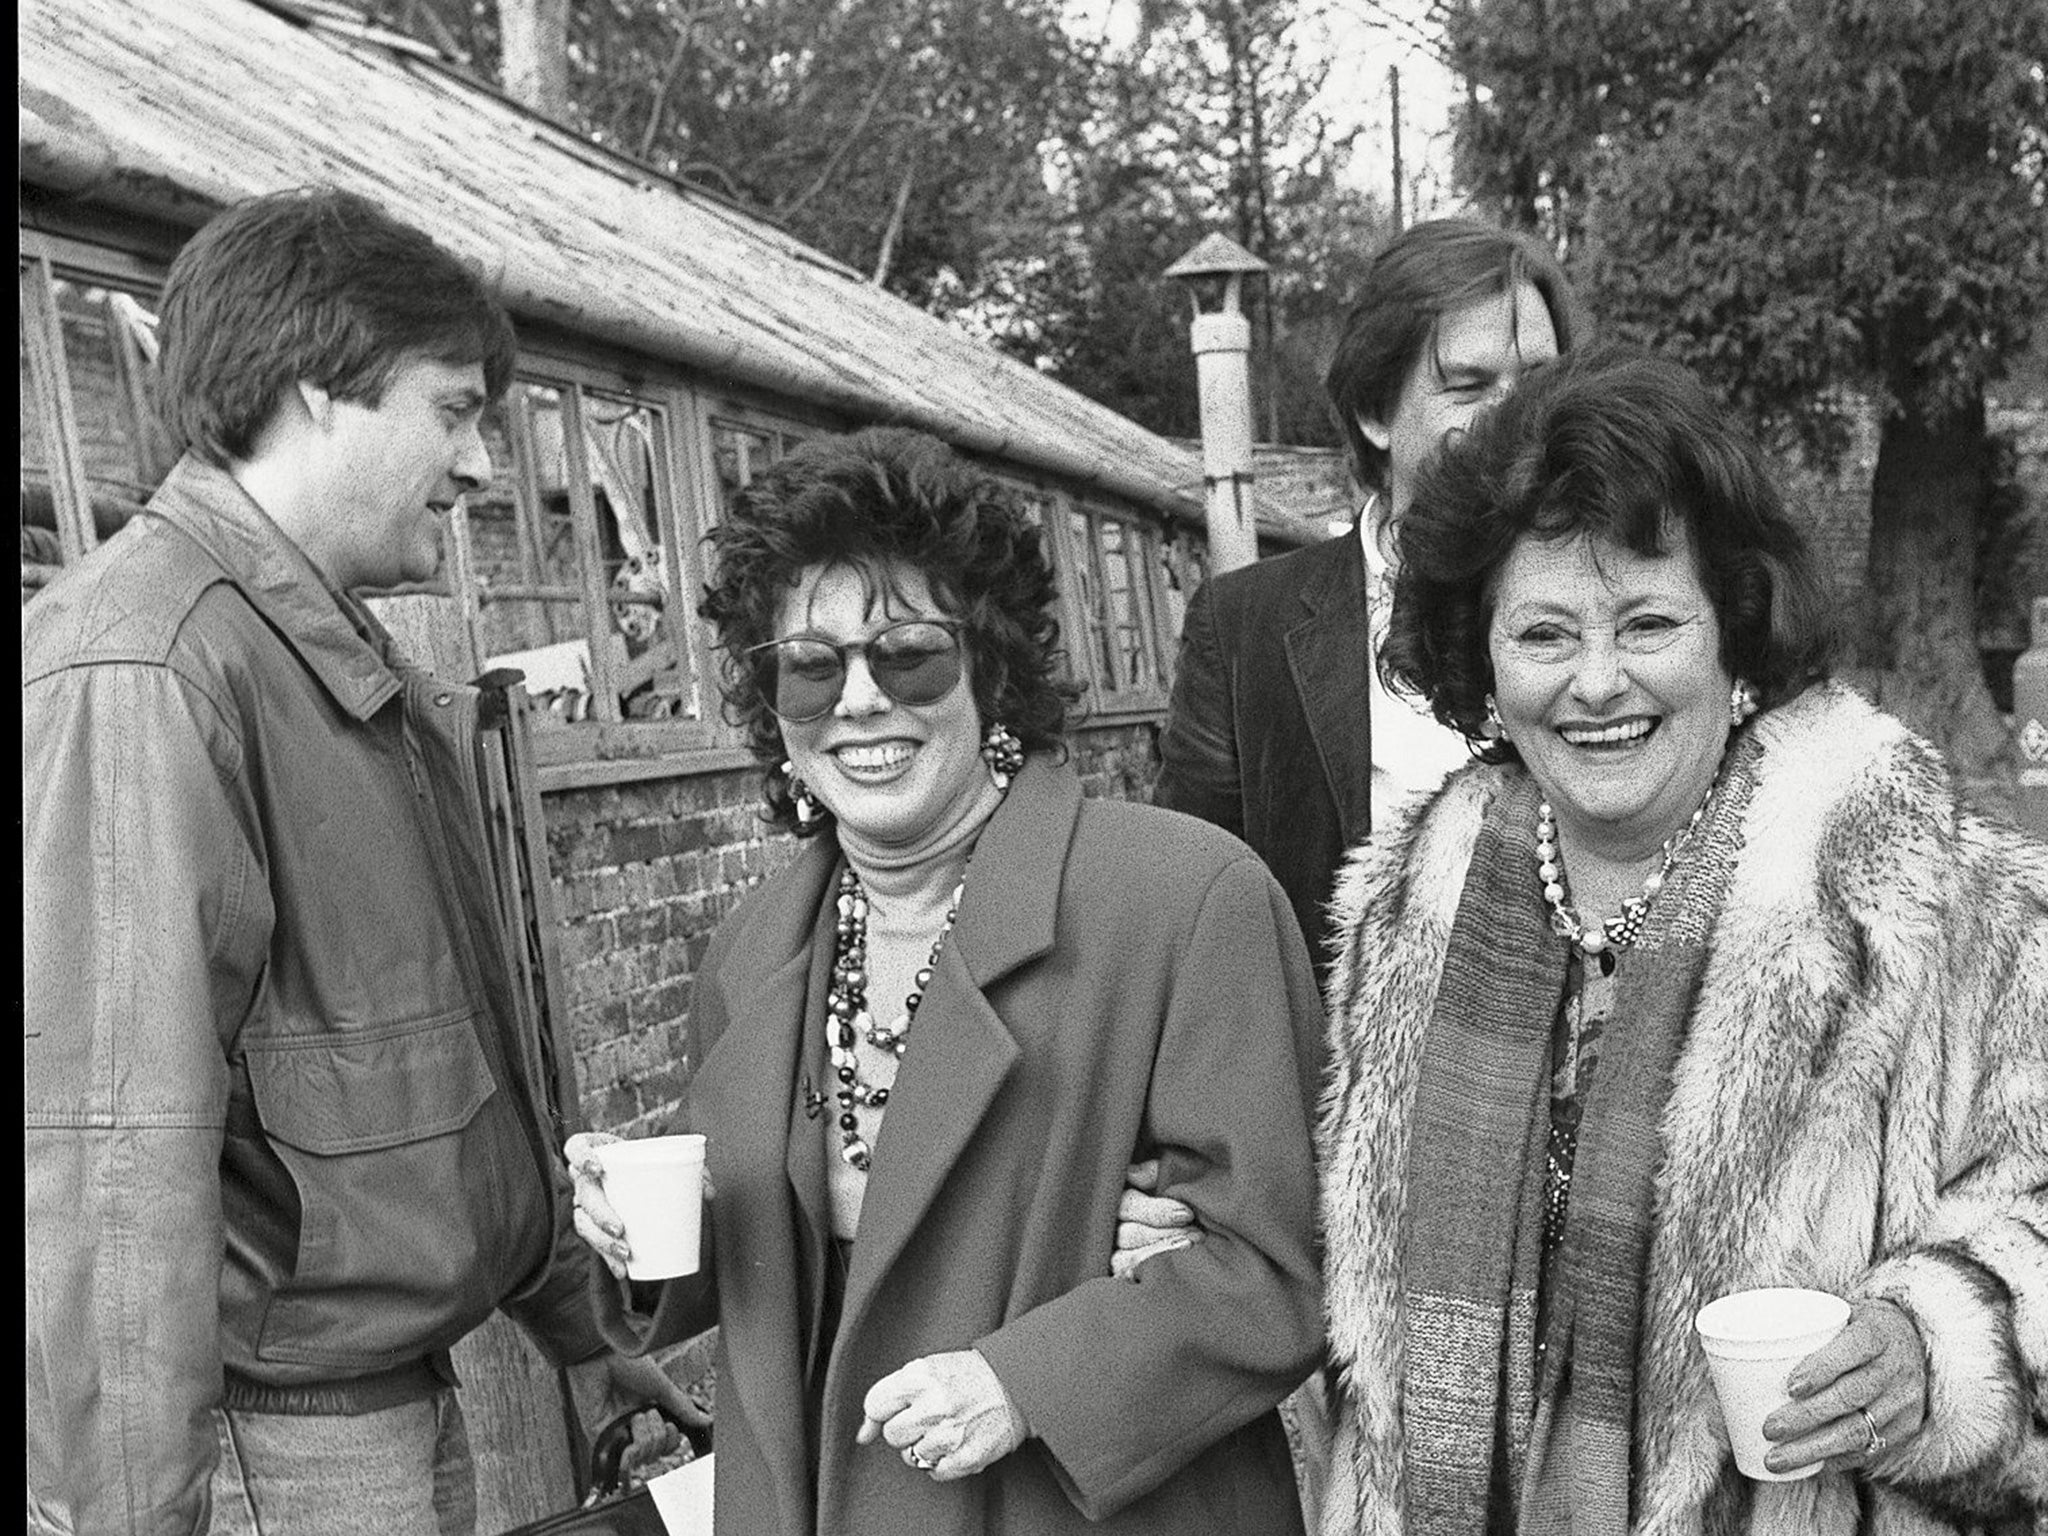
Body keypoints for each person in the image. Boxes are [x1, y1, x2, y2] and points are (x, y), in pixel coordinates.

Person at [23, 187, 687, 1536]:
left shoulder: (347, 662)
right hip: (270, 1458)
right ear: (317, 389)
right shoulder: (147, 664)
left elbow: (445, 1052)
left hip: (368, 1416)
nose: (484, 468)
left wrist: (582, 1330)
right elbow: (107, 1162)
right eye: (454, 408)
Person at [1316, 343, 2047, 1533]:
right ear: (1480, 658)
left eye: (1646, 622)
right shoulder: (1413, 909)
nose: (1595, 683)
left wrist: (1934, 1342)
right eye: (1543, 635)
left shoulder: (1927, 899)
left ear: (1733, 631)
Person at [565, 425, 1326, 1535]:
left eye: (908, 656)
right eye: (811, 666)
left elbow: (1277, 1270)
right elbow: (763, 1260)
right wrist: (636, 1250)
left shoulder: (1179, 898)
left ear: (992, 671)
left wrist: (1026, 1382)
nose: (859, 700)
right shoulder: (754, 949)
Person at [1152, 217, 1578, 982]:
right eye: (1470, 386)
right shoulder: (1248, 627)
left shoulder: (1627, 615)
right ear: (1376, 412)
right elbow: (1178, 917)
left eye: (1541, 383)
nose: (1520, 418)